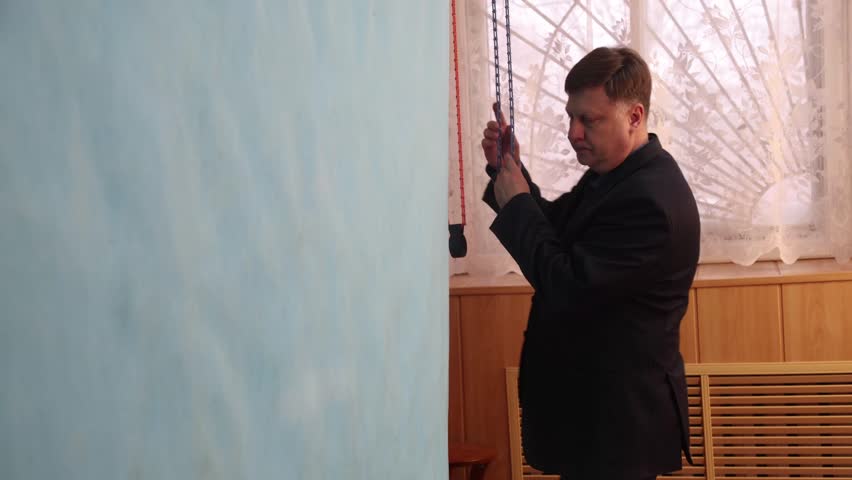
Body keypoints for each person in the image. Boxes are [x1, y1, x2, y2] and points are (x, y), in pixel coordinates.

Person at [480, 46, 700, 480]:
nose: (573, 132)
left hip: (619, 428)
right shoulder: (617, 176)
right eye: (570, 117)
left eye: (589, 119)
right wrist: (510, 171)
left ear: (634, 116)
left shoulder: (649, 200)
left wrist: (517, 203)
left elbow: (566, 285)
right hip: (596, 419)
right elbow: (556, 233)